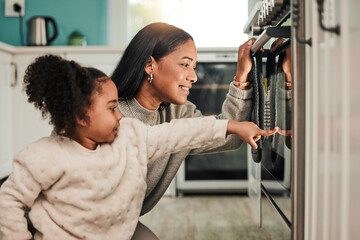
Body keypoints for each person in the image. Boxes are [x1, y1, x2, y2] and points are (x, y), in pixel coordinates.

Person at [0, 55, 276, 239]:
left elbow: (178, 133)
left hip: (116, 233)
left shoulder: (129, 135)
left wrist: (230, 126)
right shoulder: (43, 156)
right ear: (80, 117)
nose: (120, 114)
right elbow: (9, 200)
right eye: (111, 108)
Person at [111, 22, 257, 238]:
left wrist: (242, 77)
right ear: (150, 65)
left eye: (194, 67)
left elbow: (229, 137)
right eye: (185, 65)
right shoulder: (106, 112)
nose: (194, 76)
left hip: (122, 222)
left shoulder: (178, 113)